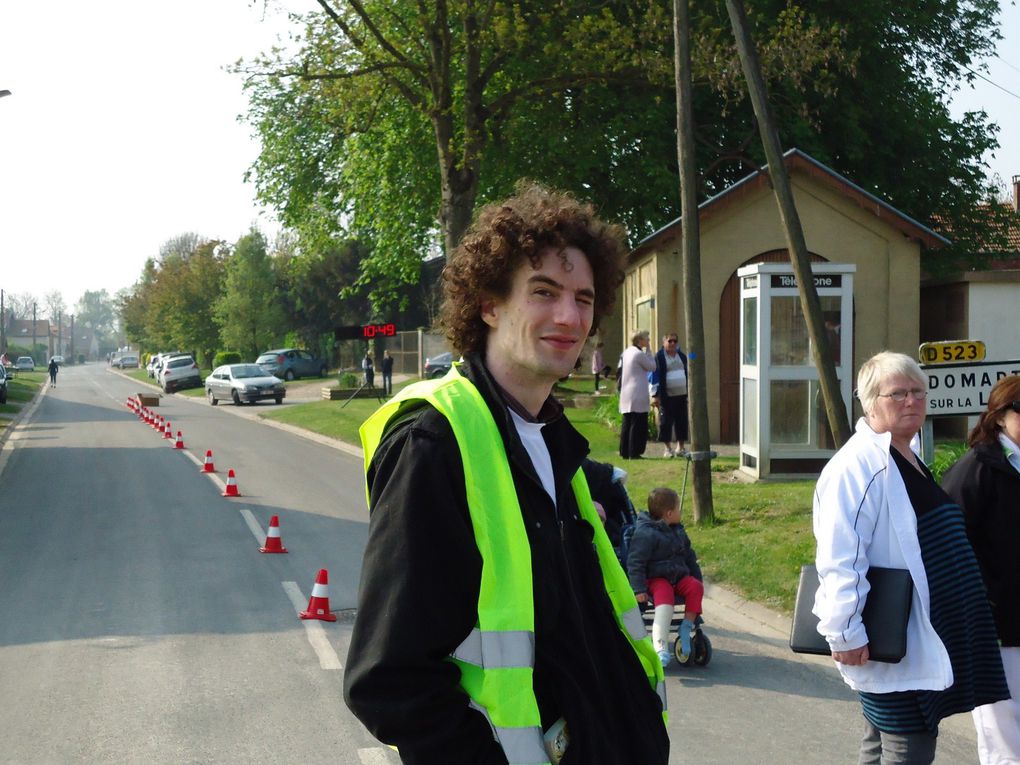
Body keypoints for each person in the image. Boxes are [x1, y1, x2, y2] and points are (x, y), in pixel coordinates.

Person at [344, 184, 669, 765]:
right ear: (488, 305)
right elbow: (389, 679)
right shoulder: (433, 441)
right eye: (543, 292)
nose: (569, 316)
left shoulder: (552, 439)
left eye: (584, 298)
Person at [812, 351, 1007, 764]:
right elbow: (839, 554)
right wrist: (844, 631)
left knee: (882, 743)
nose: (911, 402)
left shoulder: (904, 454)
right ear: (869, 402)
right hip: (891, 638)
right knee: (907, 746)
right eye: (897, 393)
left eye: (918, 392)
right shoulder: (859, 465)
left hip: (914, 635)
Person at [941, 374, 1020, 764]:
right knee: (1005, 737)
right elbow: (949, 551)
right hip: (999, 629)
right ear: (1002, 416)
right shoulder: (975, 471)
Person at [627, 487, 703, 669]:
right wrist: (638, 589)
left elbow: (689, 557)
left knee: (695, 587)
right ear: (669, 513)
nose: (680, 512)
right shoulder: (646, 534)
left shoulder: (678, 531)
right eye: (678, 509)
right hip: (656, 578)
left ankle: (686, 627)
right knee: (665, 597)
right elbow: (635, 562)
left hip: (678, 575)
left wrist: (697, 578)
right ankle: (660, 646)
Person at [618, 330, 655, 459]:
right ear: (640, 341)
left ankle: (624, 451)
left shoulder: (626, 352)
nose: (648, 341)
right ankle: (634, 452)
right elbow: (652, 366)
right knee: (637, 423)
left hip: (626, 391)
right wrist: (649, 351)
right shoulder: (639, 354)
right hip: (637, 391)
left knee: (627, 422)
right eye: (646, 338)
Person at [653, 333, 689, 459]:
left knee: (682, 421)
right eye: (670, 341)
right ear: (664, 343)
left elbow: (688, 369)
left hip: (682, 395)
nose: (673, 343)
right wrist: (656, 395)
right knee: (666, 422)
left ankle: (681, 447)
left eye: (675, 341)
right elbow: (655, 376)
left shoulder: (682, 356)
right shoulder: (659, 357)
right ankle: (668, 449)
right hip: (667, 396)